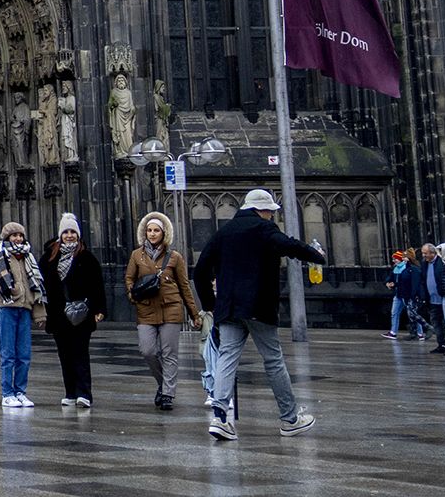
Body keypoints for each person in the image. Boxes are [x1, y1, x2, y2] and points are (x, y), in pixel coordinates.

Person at [192, 188, 325, 440]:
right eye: (270, 212)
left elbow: (200, 271)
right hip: (258, 306)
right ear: (261, 210)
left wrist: (211, 304)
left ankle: (220, 418)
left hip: (228, 308)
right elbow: (289, 245)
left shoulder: (223, 232)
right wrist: (316, 255)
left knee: (226, 358)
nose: (271, 216)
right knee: (273, 360)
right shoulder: (264, 229)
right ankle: (290, 419)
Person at [126, 211, 199, 411]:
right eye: (149, 230)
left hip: (171, 309)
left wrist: (194, 313)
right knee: (147, 351)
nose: (152, 234)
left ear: (163, 233)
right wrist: (132, 295)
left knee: (169, 353)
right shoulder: (136, 255)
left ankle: (168, 394)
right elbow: (129, 278)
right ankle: (163, 384)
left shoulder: (174, 257)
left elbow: (184, 286)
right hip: (146, 309)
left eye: (156, 230)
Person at [39, 213, 103, 407]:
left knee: (80, 353)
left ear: (78, 235)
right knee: (64, 354)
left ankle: (84, 393)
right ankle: (71, 392)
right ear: (60, 234)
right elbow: (41, 284)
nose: (69, 235)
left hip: (81, 313)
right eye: (66, 232)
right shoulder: (49, 258)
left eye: (72, 232)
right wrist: (41, 310)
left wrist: (99, 309)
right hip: (58, 314)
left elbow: (97, 285)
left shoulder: (87, 257)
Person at [0, 222, 45, 408]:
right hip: (7, 308)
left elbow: (36, 286)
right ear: (7, 237)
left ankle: (20, 392)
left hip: (25, 308)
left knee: (24, 354)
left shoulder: (27, 257)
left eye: (20, 235)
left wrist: (40, 314)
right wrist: (9, 290)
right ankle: (7, 393)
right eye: (14, 235)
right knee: (8, 353)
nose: (18, 238)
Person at [382, 250, 427, 340]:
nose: (394, 260)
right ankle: (393, 332)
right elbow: (391, 278)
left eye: (396, 258)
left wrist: (414, 295)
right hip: (398, 294)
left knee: (413, 314)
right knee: (394, 313)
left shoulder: (410, 268)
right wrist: (388, 283)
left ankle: (420, 333)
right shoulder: (396, 268)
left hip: (407, 294)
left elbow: (411, 283)